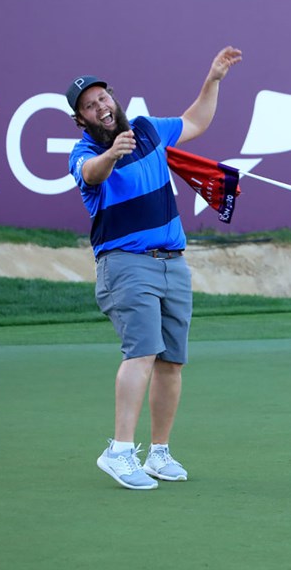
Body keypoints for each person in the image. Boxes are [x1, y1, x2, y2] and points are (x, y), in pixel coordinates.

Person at [65, 46, 243, 490]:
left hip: (173, 265)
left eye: (103, 98)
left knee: (170, 362)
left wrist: (214, 78)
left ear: (113, 98)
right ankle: (120, 451)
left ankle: (158, 453)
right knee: (141, 352)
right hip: (126, 265)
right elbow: (89, 174)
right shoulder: (83, 151)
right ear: (81, 119)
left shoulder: (146, 130)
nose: (101, 107)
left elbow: (196, 121)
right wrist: (111, 155)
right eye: (90, 106)